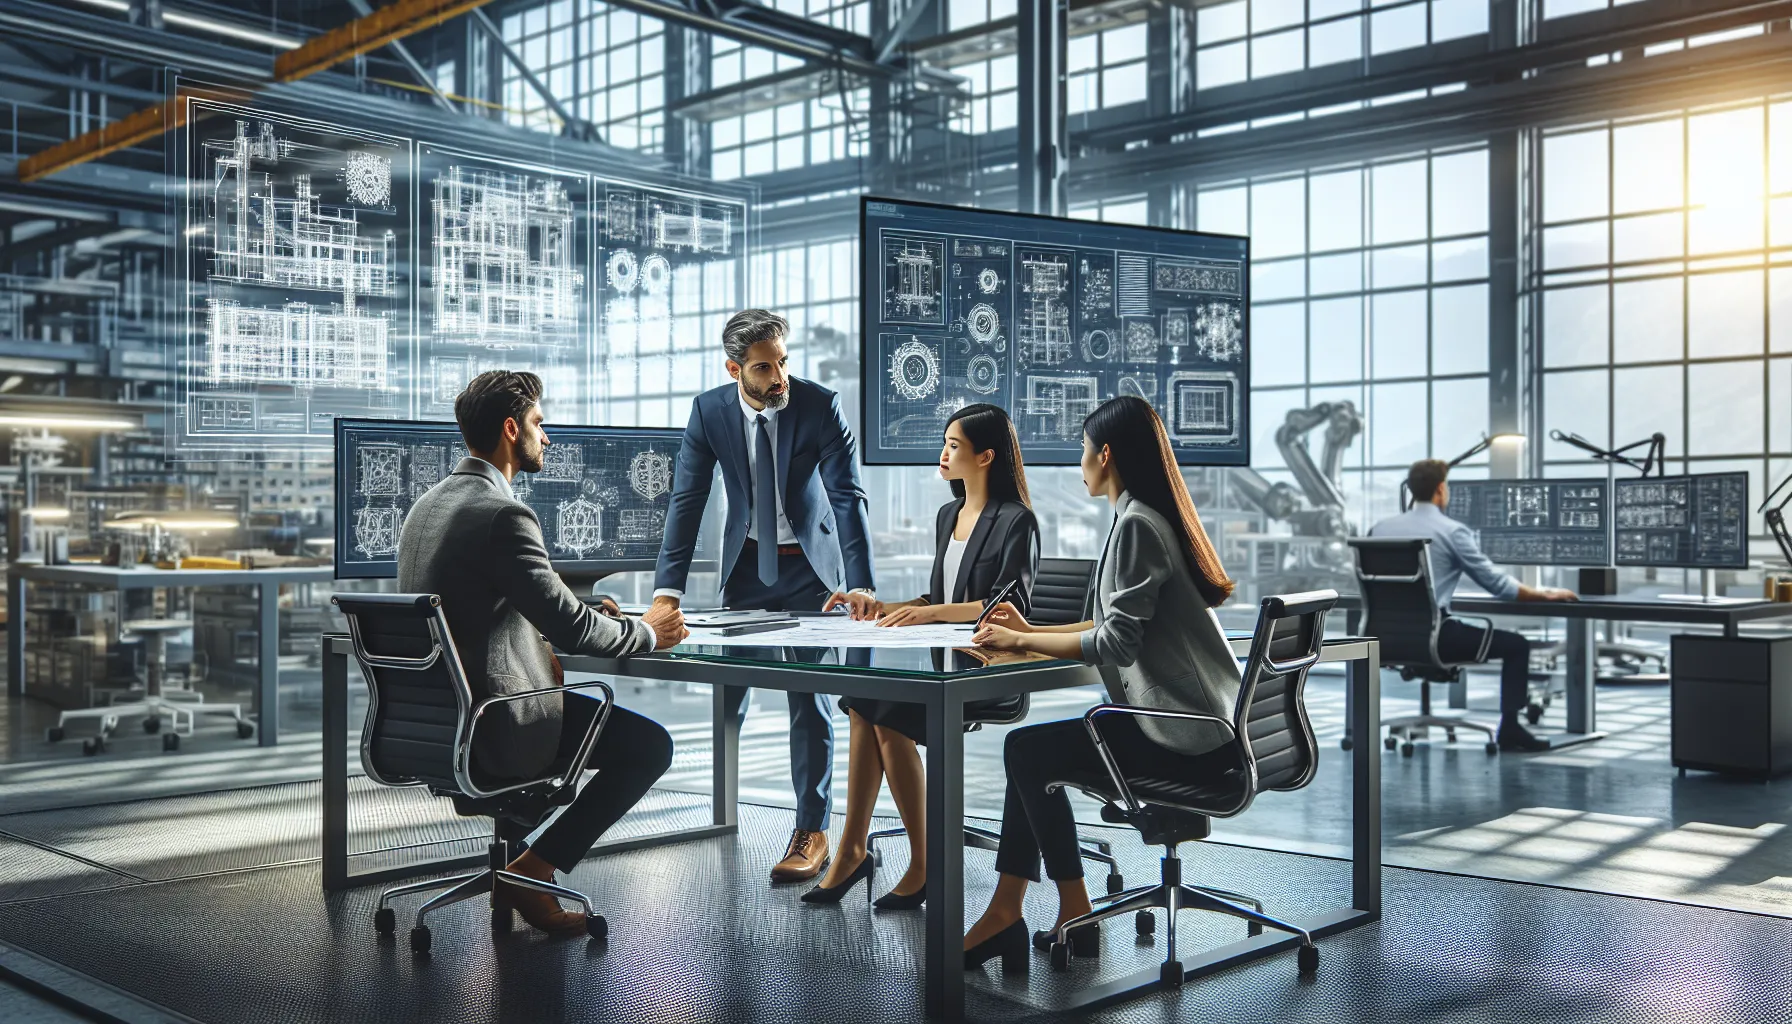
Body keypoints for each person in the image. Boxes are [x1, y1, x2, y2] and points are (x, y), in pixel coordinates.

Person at [398, 370, 688, 936]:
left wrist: (580, 604)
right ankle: (531, 871)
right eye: (538, 422)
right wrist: (649, 631)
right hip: (495, 722)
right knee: (649, 747)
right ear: (512, 429)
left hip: (438, 720)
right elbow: (574, 633)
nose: (546, 436)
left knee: (596, 726)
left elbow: (490, 598)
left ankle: (521, 866)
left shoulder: (427, 506)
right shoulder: (502, 515)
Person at [961, 395, 1245, 969]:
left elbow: (1115, 644)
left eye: (1083, 450)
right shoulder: (1140, 517)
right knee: (1031, 752)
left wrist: (1019, 641)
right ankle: (1019, 911)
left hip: (1185, 737)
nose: (1080, 462)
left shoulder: (1138, 524)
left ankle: (1064, 910)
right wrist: (1028, 632)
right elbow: (1105, 624)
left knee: (1027, 751)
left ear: (1106, 454)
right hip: (1207, 727)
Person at [652, 309, 877, 883]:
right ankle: (720, 810)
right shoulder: (709, 411)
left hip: (811, 573)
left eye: (782, 362)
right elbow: (687, 500)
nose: (779, 377)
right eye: (763, 368)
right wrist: (667, 592)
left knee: (809, 697)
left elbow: (847, 497)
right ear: (735, 370)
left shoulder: (819, 405)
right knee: (732, 689)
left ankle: (812, 829)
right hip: (747, 568)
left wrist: (860, 583)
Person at [802, 404, 1039, 909]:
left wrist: (929, 615)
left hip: (989, 667)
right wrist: (883, 606)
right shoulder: (947, 515)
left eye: (954, 445)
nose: (943, 454)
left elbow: (1006, 605)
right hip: (943, 661)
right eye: (944, 443)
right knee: (864, 702)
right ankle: (853, 849)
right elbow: (939, 599)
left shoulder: (1017, 520)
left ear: (986, 456)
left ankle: (921, 861)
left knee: (884, 712)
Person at [1369, 458, 1577, 752]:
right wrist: (1546, 595)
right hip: (1437, 639)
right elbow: (1499, 586)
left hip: (1385, 640)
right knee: (1516, 646)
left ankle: (1358, 728)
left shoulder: (1379, 529)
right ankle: (1510, 729)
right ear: (1441, 489)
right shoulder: (1451, 531)